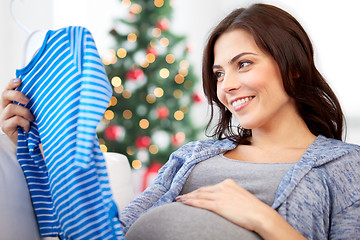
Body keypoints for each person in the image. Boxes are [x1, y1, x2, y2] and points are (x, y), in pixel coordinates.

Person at [1, 3, 359, 240]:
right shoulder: (192, 155)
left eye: (244, 64)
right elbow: (116, 229)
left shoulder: (347, 166)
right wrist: (32, 150)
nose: (227, 85)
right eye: (218, 73)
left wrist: (263, 218)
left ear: (293, 69)